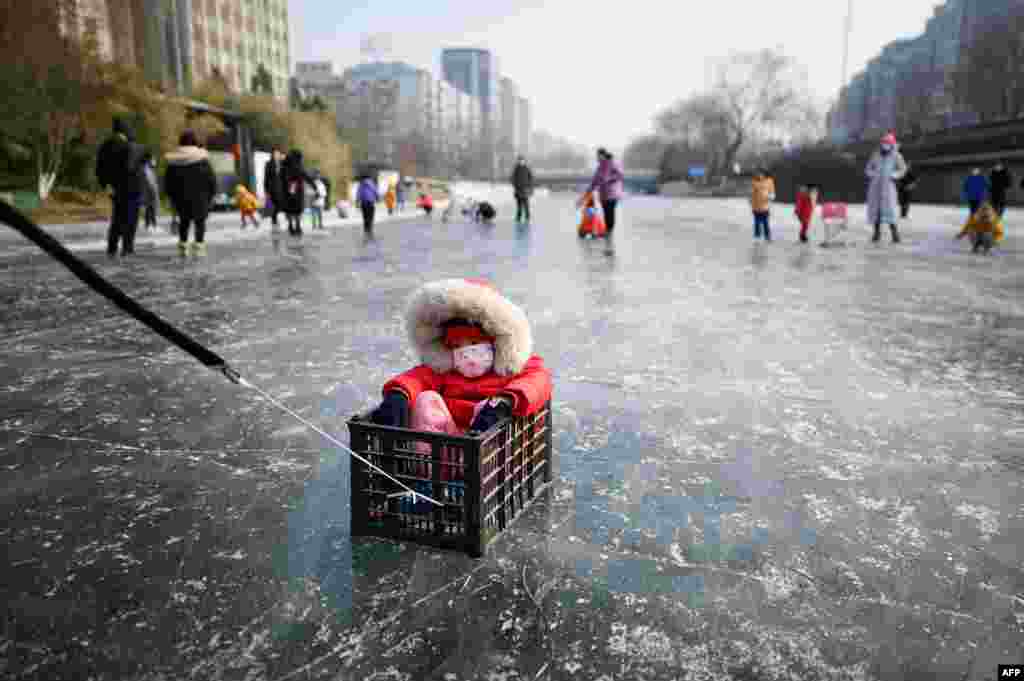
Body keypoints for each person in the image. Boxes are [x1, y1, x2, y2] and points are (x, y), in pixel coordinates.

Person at [369, 278, 553, 481]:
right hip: (453, 445)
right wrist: (398, 394)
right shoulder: (445, 370)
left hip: (494, 451)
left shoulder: (516, 367)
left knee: (488, 418)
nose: (466, 352)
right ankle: (430, 476)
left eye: (474, 342)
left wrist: (504, 402)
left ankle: (474, 481)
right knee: (425, 400)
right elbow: (416, 378)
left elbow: (537, 381)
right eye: (457, 345)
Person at [95, 117, 147, 257]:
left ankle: (112, 247)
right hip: (132, 189)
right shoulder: (131, 146)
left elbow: (99, 170)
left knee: (117, 217)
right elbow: (138, 169)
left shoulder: (104, 146)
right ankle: (127, 247)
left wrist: (105, 185)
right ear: (126, 131)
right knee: (131, 218)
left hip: (115, 189)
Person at [164, 130, 217, 257]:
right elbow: (211, 179)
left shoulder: (173, 161)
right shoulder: (202, 159)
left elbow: (168, 181)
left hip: (181, 198)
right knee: (200, 222)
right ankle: (199, 247)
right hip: (200, 198)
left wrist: (171, 197)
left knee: (184, 221)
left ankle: (183, 246)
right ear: (194, 141)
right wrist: (212, 194)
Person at [577, 148, 624, 254]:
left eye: (598, 156)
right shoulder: (599, 168)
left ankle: (609, 235)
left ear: (603, 155)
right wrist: (582, 198)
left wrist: (609, 179)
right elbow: (593, 183)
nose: (597, 158)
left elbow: (620, 175)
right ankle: (608, 236)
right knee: (606, 214)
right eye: (596, 156)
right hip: (603, 195)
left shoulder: (613, 163)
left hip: (613, 194)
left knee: (610, 213)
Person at [865, 133, 908, 243]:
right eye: (884, 142)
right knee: (876, 211)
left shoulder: (896, 155)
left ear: (892, 144)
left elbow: (903, 169)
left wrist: (894, 175)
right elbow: (868, 168)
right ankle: (876, 233)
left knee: (890, 211)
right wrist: (872, 174)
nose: (885, 144)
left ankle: (895, 234)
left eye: (888, 143)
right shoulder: (876, 155)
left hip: (888, 187)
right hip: (875, 187)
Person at [281, 149, 317, 236]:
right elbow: (306, 176)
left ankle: (290, 226)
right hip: (297, 191)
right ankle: (297, 226)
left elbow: (281, 178)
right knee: (297, 210)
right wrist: (314, 186)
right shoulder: (298, 165)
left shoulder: (284, 165)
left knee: (289, 209)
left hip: (287, 191)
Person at [263, 146, 286, 229]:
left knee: (281, 204)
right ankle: (274, 220)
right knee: (274, 205)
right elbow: (266, 177)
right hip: (272, 188)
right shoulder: (268, 164)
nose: (276, 155)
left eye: (278, 153)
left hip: (281, 187)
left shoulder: (283, 163)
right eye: (275, 153)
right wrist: (266, 190)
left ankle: (284, 218)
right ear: (272, 154)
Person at [750, 169, 776, 241]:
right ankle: (757, 236)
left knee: (765, 222)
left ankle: (767, 236)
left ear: (764, 174)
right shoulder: (754, 182)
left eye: (761, 174)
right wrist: (751, 201)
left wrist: (770, 196)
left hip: (765, 206)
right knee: (757, 222)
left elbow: (772, 192)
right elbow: (752, 194)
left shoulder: (769, 181)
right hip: (756, 206)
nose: (759, 175)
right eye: (758, 174)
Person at [511, 156, 534, 222]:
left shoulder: (527, 168)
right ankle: (518, 217)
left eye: (522, 160)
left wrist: (530, 187)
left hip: (525, 190)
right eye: (519, 160)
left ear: (524, 161)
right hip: (518, 190)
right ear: (518, 161)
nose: (521, 162)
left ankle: (527, 217)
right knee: (519, 206)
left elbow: (531, 178)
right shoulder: (516, 169)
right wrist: (515, 185)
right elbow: (513, 178)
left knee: (526, 205)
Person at [141, 152, 159, 230]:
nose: (154, 161)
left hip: (149, 193)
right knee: (150, 207)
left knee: (150, 208)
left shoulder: (149, 169)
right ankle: (150, 224)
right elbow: (151, 184)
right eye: (153, 160)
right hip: (149, 193)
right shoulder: (147, 170)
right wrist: (154, 193)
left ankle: (150, 224)